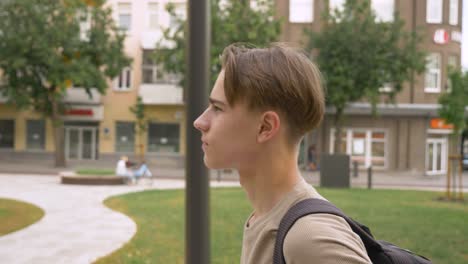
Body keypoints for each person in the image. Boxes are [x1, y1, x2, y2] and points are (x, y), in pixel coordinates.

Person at [194, 43, 371, 264]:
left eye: (218, 108)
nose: (199, 122)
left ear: (265, 127)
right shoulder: (266, 219)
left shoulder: (309, 238)